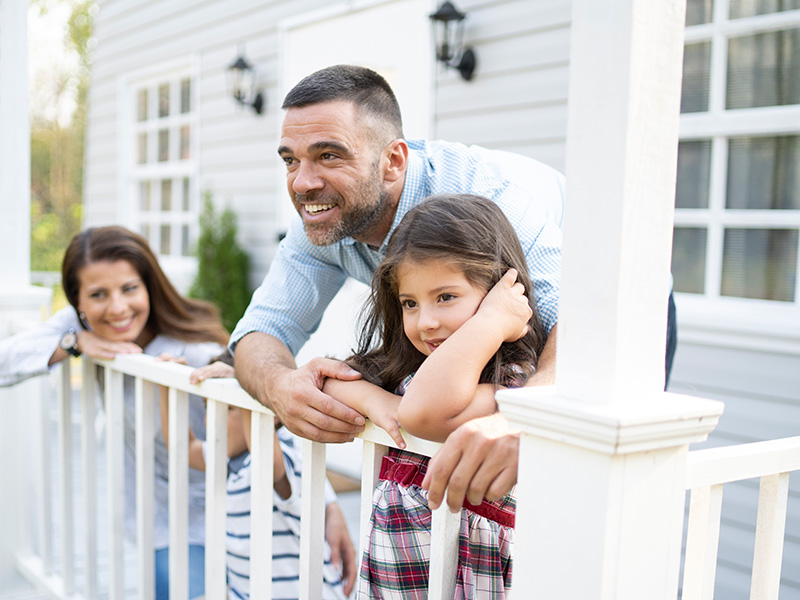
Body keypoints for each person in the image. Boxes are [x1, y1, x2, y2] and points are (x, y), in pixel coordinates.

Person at [230, 64, 677, 514]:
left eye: (329, 156)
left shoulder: (489, 194)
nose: (303, 182)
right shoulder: (322, 219)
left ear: (393, 161)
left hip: (612, 308)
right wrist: (279, 386)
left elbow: (582, 322)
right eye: (290, 159)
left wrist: (525, 421)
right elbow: (263, 331)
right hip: (489, 349)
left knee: (581, 483)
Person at [319, 194, 544, 597]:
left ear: (498, 290)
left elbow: (423, 411)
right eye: (410, 302)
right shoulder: (408, 371)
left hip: (469, 575)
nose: (426, 322)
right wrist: (378, 402)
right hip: (399, 579)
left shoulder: (512, 381)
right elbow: (328, 378)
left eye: (445, 297)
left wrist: (493, 320)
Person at [0, 226, 229, 599]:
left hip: (224, 514)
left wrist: (329, 507)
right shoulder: (81, 326)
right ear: (78, 303)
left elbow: (269, 425)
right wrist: (74, 342)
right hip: (156, 520)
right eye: (98, 294)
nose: (118, 308)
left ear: (148, 286)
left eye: (129, 289)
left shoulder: (195, 350)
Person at [157, 350, 354, 599]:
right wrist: (167, 384)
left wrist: (247, 382)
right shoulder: (227, 459)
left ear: (269, 416)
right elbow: (182, 447)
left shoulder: (283, 455)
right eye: (209, 407)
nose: (211, 419)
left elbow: (267, 464)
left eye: (227, 408)